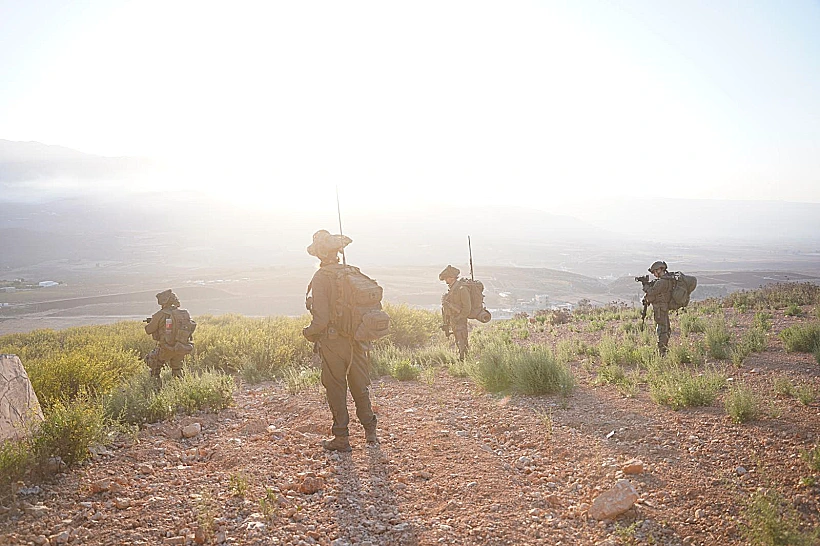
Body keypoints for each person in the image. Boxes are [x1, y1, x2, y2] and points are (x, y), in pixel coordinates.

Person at [303, 230, 378, 452]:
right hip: (357, 339)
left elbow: (321, 320)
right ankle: (370, 432)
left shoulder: (321, 277)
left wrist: (308, 332)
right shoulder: (352, 272)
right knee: (360, 385)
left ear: (319, 254)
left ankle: (341, 438)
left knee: (336, 388)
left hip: (334, 342)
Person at [144, 289, 194, 380]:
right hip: (181, 346)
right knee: (177, 368)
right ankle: (179, 386)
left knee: (154, 363)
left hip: (166, 346)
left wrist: (153, 322)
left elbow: (149, 330)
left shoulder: (160, 314)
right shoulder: (183, 313)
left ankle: (155, 386)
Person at [439, 265, 472, 361]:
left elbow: (467, 307)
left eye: (447, 278)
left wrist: (460, 317)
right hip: (454, 319)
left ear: (452, 277)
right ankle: (462, 358)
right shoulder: (453, 289)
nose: (446, 280)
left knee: (462, 339)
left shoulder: (462, 289)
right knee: (458, 339)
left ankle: (464, 360)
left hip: (460, 319)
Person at [642, 261, 674, 356]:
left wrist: (645, 286)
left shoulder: (662, 282)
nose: (654, 274)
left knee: (662, 329)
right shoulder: (666, 280)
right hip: (662, 307)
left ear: (660, 270)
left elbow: (652, 292)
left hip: (660, 308)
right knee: (664, 328)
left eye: (655, 272)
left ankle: (662, 351)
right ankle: (663, 349)